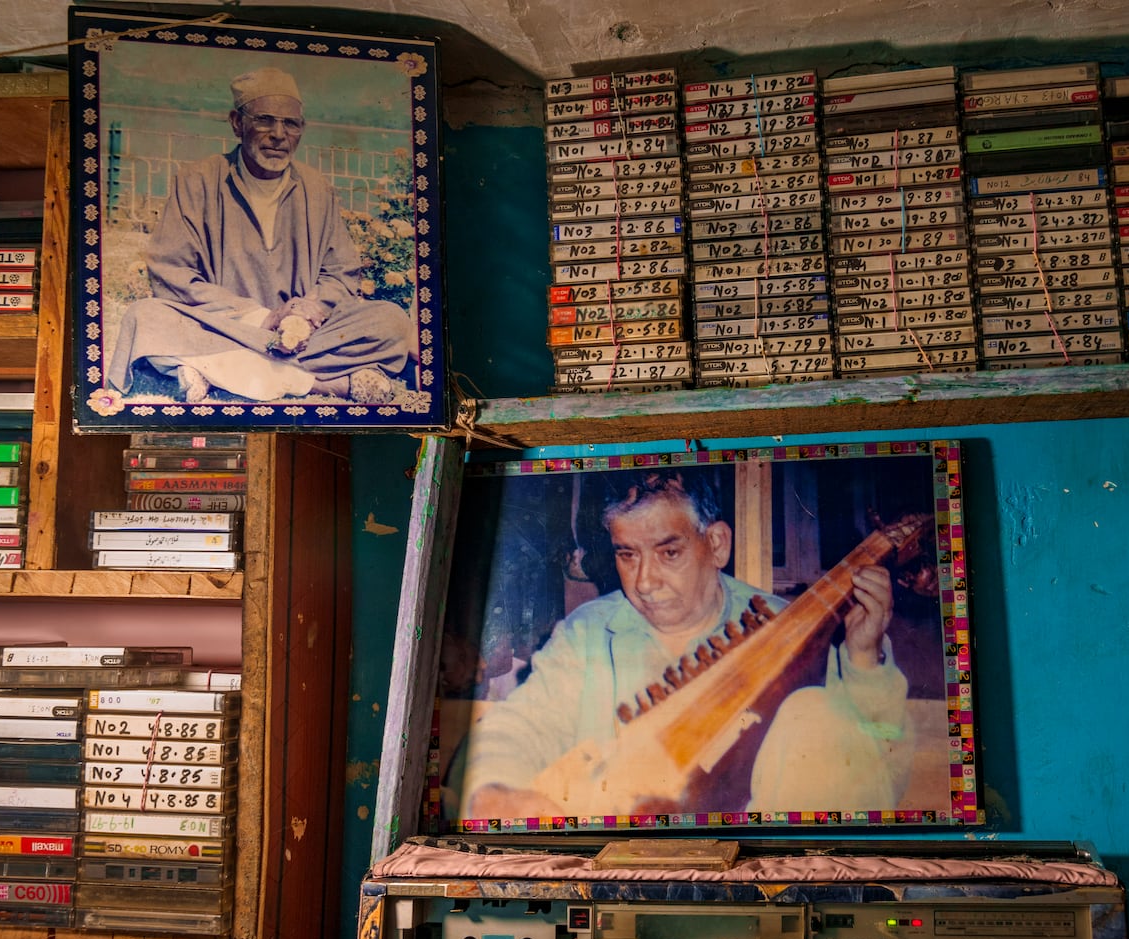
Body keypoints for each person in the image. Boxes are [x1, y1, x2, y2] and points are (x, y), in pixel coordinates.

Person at [459, 472, 913, 820]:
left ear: (716, 544)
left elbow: (880, 781)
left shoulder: (788, 630)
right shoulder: (588, 633)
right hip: (623, 867)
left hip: (750, 880)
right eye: (627, 554)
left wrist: (863, 661)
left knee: (813, 711)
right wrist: (495, 790)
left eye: (668, 552)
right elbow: (517, 727)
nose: (644, 582)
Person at [106, 67, 414, 404]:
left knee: (391, 321)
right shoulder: (198, 181)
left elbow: (341, 273)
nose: (278, 135)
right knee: (146, 317)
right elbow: (171, 273)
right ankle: (323, 385)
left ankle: (220, 370)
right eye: (265, 120)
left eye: (291, 124)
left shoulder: (316, 189)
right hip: (228, 327)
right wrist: (260, 318)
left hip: (305, 335)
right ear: (237, 123)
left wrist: (306, 311)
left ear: (301, 130)